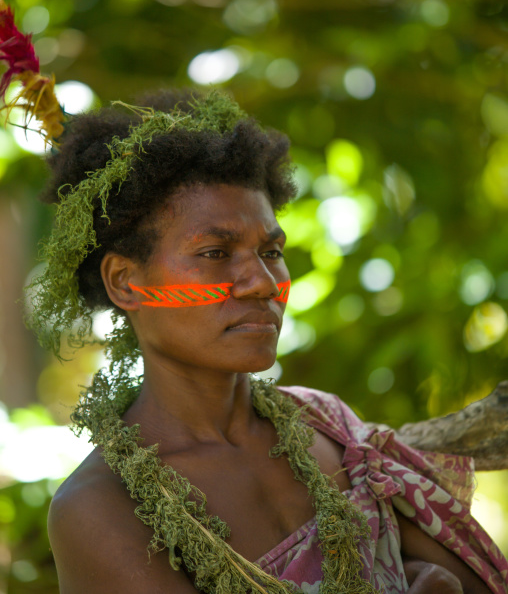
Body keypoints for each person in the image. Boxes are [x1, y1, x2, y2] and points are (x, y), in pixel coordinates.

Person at [18, 88, 502, 594]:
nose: (264, 284)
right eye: (214, 252)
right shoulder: (102, 508)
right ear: (124, 282)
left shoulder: (329, 428)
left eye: (271, 251)